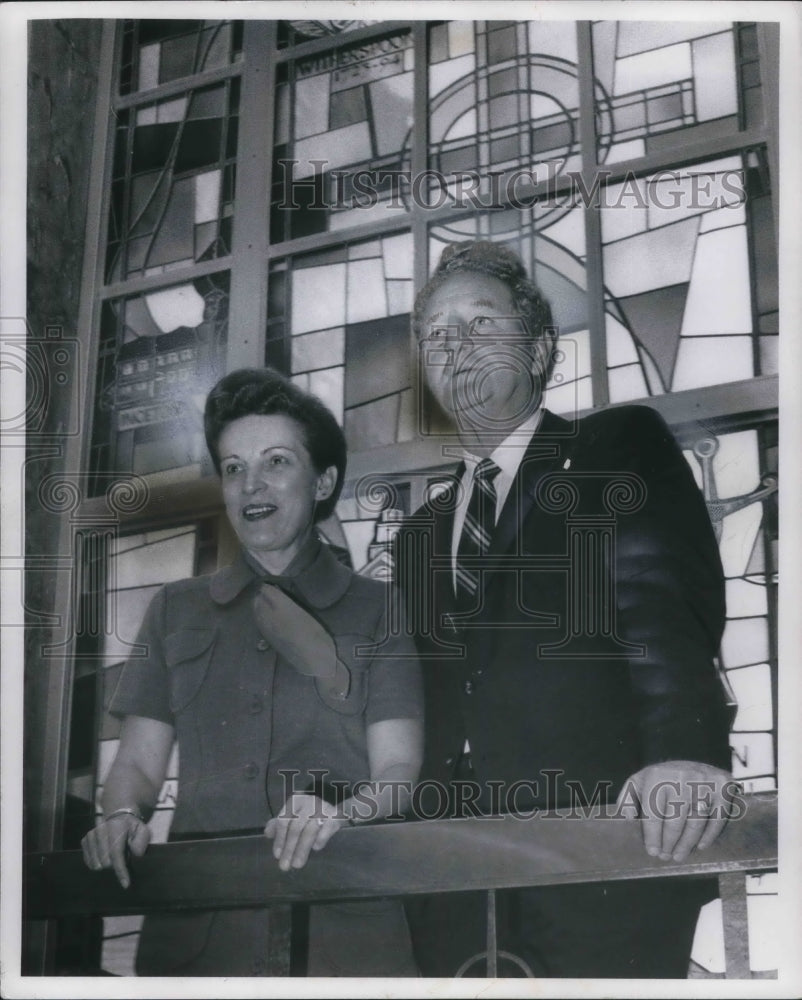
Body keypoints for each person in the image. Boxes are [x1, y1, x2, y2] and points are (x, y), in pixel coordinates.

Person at [394, 241, 735, 979]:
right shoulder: (419, 534)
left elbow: (659, 601)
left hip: (605, 855)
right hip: (450, 883)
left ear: (541, 349)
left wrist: (684, 749)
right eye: (437, 333)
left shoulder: (613, 448)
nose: (457, 345)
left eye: (481, 321)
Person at [82, 368, 423, 977]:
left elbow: (397, 771)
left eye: (276, 462)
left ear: (323, 482)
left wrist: (344, 813)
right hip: (200, 941)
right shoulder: (175, 609)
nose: (251, 484)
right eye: (234, 467)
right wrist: (121, 816)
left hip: (342, 933)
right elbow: (134, 766)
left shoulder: (379, 610)